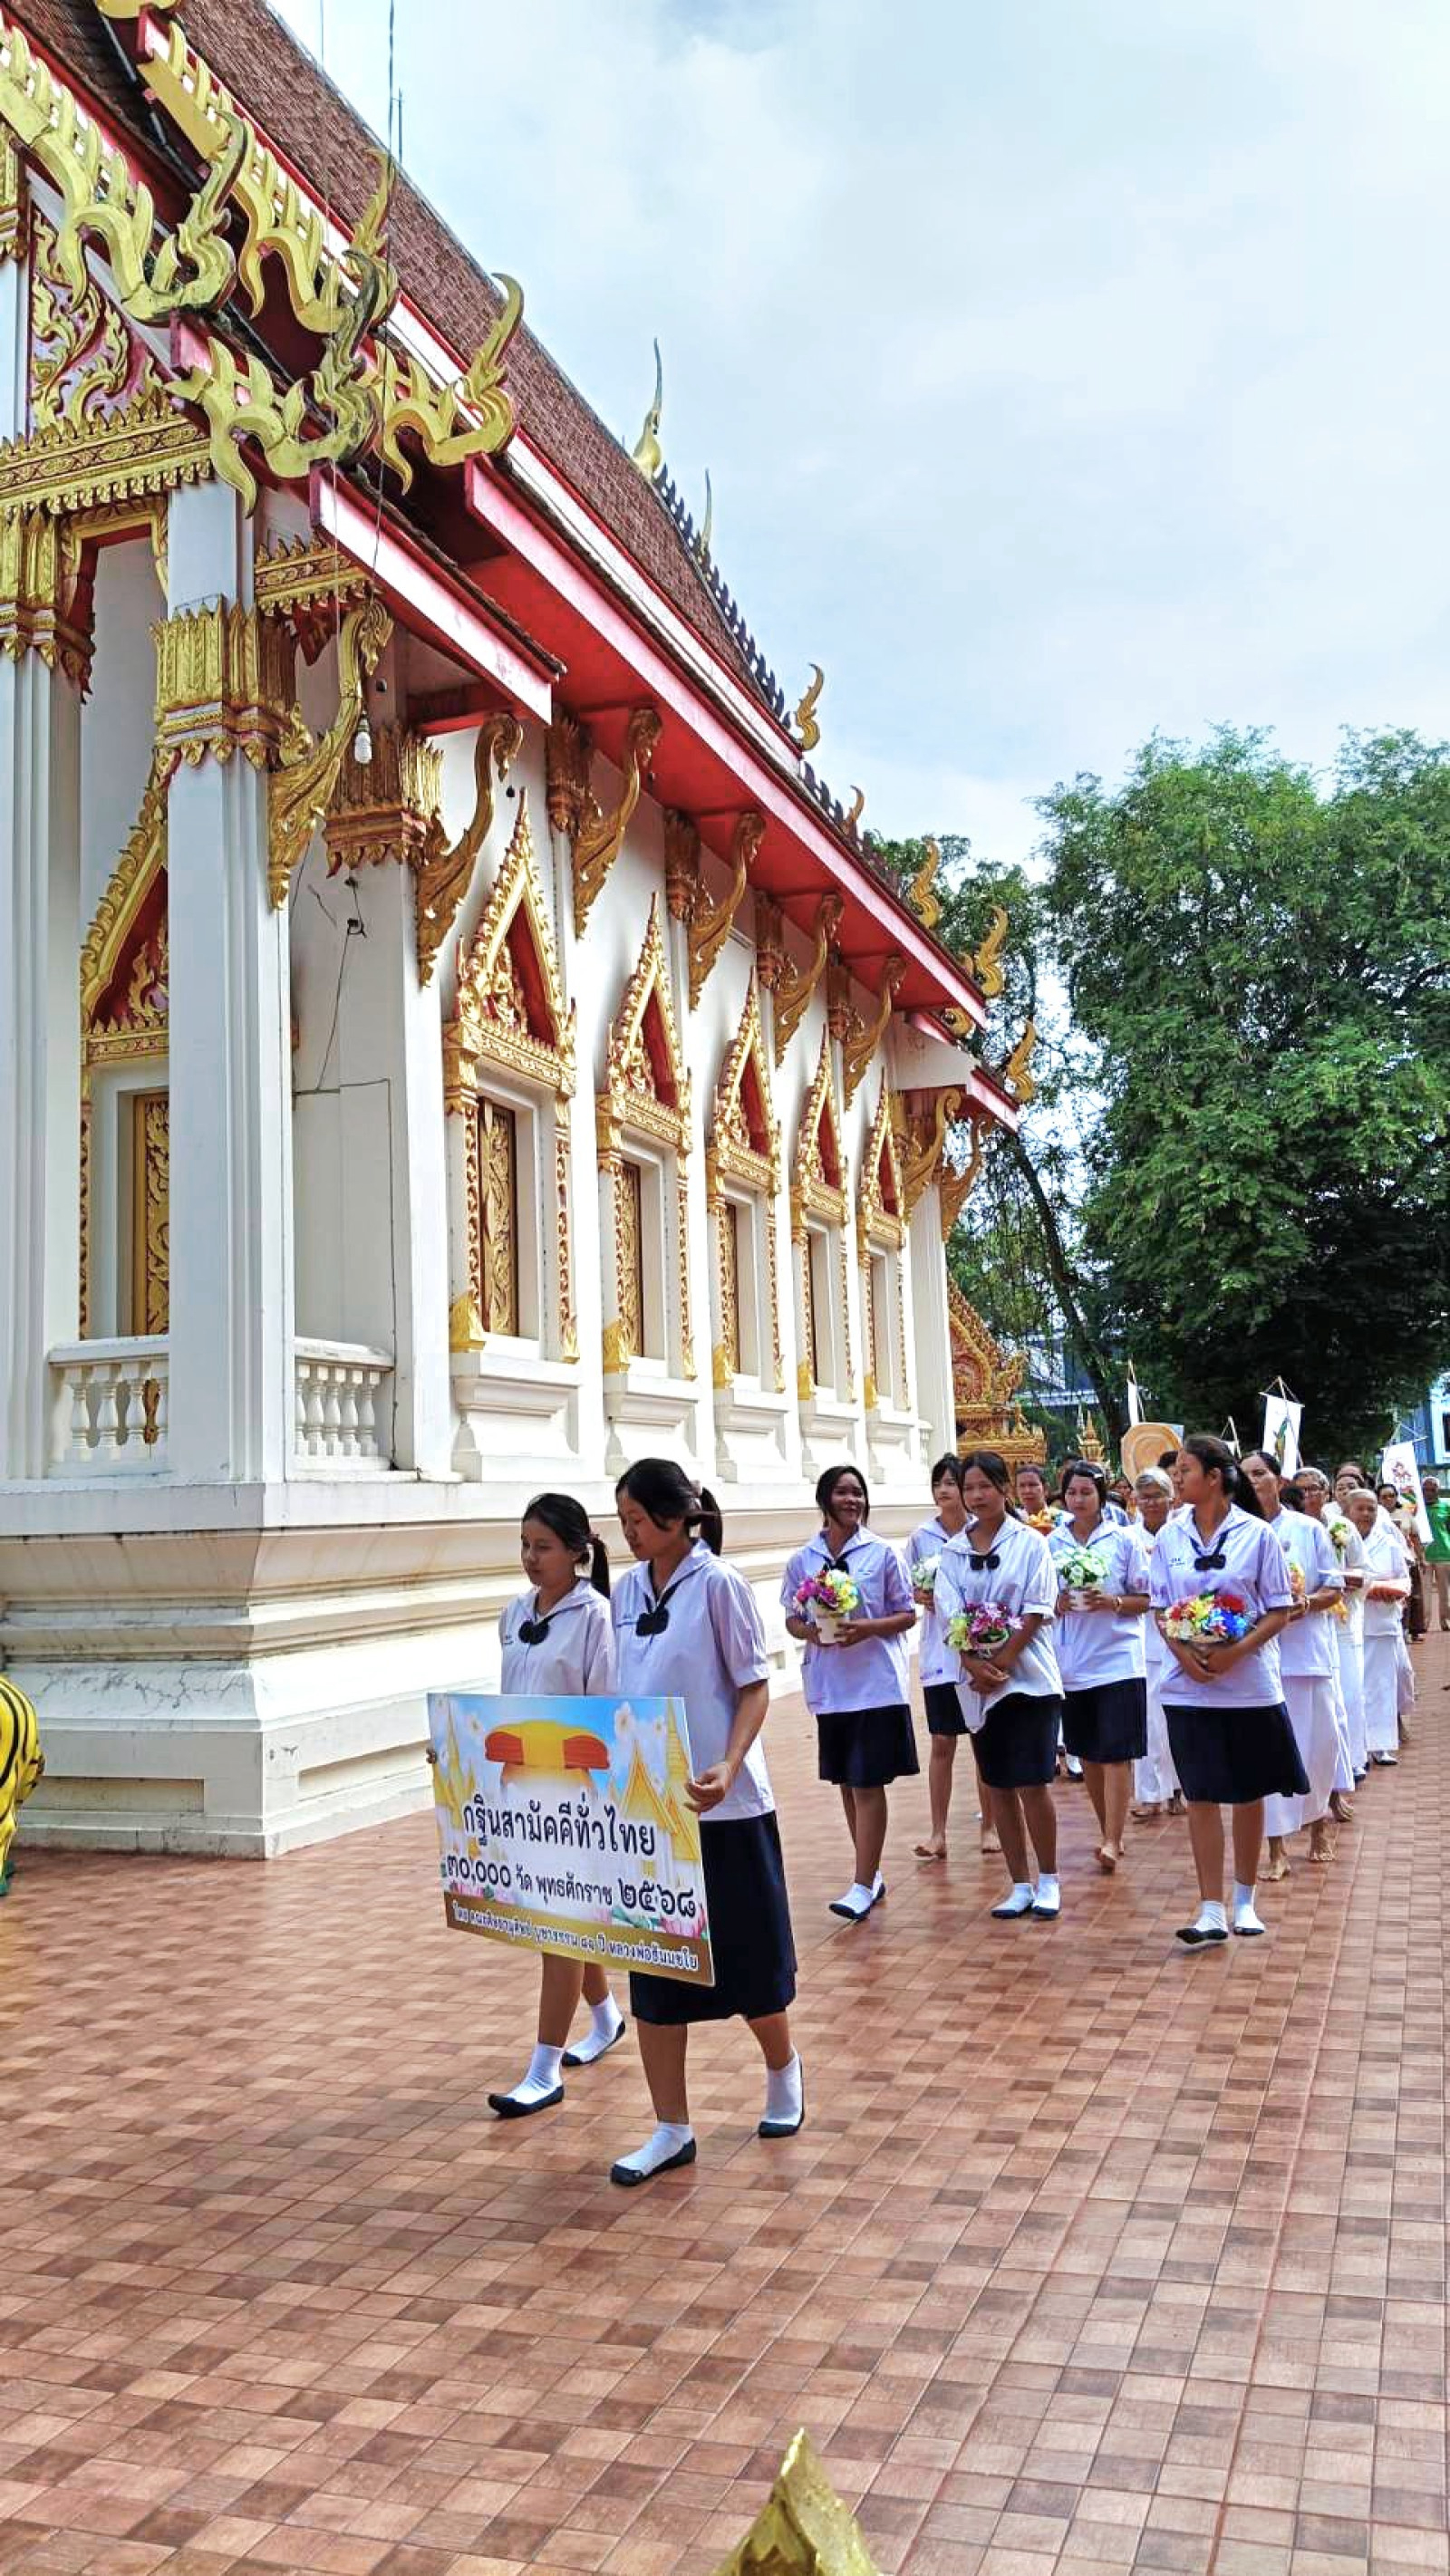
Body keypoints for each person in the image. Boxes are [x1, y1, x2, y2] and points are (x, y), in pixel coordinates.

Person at [609, 1459, 800, 2185]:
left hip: (725, 1805)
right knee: (656, 1975)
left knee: (749, 1962)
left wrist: (729, 1761)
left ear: (673, 1517)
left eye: (636, 1520)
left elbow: (754, 1686)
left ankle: (782, 2068)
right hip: (651, 1813)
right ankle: (671, 2126)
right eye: (622, 1521)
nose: (628, 1533)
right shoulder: (625, 1592)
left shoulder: (719, 1584)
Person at [483, 1495, 625, 2118]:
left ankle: (543, 2070)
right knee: (556, 1916)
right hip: (521, 1793)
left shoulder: (598, 1618)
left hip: (572, 1797)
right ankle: (606, 2015)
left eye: (543, 1546)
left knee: (559, 1925)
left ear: (576, 1551)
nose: (530, 1558)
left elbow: (605, 1710)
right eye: (524, 1545)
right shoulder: (514, 1613)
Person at [1150, 1435, 1301, 1944]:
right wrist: (1185, 1656)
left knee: (1248, 1792)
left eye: (1185, 1469)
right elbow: (1160, 1607)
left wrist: (1235, 1652)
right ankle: (1210, 1909)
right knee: (1201, 1794)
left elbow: (1279, 1609)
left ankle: (1245, 1900)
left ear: (1214, 1477)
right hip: (1187, 1688)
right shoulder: (1170, 1537)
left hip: (1249, 1685)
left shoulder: (1256, 1535)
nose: (1176, 1478)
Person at [934, 1449, 1065, 1920]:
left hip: (1028, 1679)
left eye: (984, 1486)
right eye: (967, 1488)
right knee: (999, 1784)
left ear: (1003, 1489)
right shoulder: (953, 1551)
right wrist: (972, 1662)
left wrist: (1004, 1660)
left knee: (1032, 1782)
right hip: (977, 1685)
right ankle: (1019, 1883)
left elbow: (1036, 1607)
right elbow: (949, 1611)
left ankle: (1049, 1878)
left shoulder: (1030, 1543)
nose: (976, 1496)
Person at [783, 1465, 917, 1921]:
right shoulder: (804, 1559)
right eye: (842, 1492)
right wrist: (810, 1632)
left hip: (875, 1685)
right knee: (846, 1780)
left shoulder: (882, 1554)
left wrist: (866, 1629)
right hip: (831, 1686)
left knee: (867, 1782)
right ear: (825, 1499)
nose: (851, 1500)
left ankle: (862, 1882)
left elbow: (906, 1614)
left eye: (858, 1493)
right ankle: (869, 1872)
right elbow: (792, 1616)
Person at [1239, 1450, 1345, 1874]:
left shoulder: (1308, 1529)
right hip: (1257, 1658)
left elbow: (1333, 1588)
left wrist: (1305, 1603)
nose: (1252, 1482)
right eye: (1244, 1475)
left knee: (1319, 1745)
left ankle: (1319, 1823)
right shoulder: (1237, 1532)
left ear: (1279, 1481)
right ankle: (1276, 1847)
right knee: (1266, 1753)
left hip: (1307, 1655)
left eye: (1259, 1474)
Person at [1049, 1459, 1150, 1871]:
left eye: (1086, 1492)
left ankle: (1113, 1838)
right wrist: (1057, 1602)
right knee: (1087, 1751)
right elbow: (1041, 1598)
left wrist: (1113, 1602)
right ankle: (1107, 1827)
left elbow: (1147, 1598)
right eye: (1072, 1493)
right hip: (1073, 1660)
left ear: (1101, 1496)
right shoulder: (1052, 1543)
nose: (1078, 1500)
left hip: (1118, 1657)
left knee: (1115, 1752)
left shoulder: (1124, 1541)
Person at [908, 1455, 999, 1862]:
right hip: (939, 1652)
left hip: (977, 1648)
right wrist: (922, 1595)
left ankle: (990, 1825)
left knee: (983, 1740)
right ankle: (938, 1832)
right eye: (938, 1483)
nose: (944, 1490)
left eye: (951, 1483)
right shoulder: (921, 1537)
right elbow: (909, 1587)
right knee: (942, 1741)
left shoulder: (980, 1532)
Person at [1298, 1466, 1365, 1802]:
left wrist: (1347, 1581)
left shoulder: (1343, 1527)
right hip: (1303, 1628)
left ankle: (1344, 1776)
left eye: (1315, 1488)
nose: (1309, 1495)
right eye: (1302, 1490)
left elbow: (1363, 1569)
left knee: (1342, 1701)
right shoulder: (1287, 1529)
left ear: (1326, 1493)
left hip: (1340, 1621)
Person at [1130, 1469, 1183, 1819]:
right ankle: (1150, 1794)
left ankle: (1179, 1789)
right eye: (1144, 1496)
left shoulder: (1183, 1534)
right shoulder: (1127, 1538)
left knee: (1179, 1717)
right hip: (1142, 1638)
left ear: (1171, 1498)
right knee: (1148, 1721)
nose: (1151, 1503)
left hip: (1181, 1635)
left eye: (1157, 1495)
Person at [1346, 1487, 1411, 1765]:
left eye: (1371, 1509)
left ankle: (1381, 1744)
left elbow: (1405, 1580)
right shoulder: (1337, 1538)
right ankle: (1356, 1749)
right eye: (1360, 1508)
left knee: (1382, 1685)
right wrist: (1365, 1587)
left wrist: (1390, 1589)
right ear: (1347, 1511)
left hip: (1382, 1622)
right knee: (1354, 1688)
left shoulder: (1389, 1542)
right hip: (1349, 1624)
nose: (1366, 1514)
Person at [1423, 1474, 1450, 1633]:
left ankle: (1446, 1621)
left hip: (1444, 1554)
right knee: (1424, 1592)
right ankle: (1423, 1624)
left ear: (1438, 1490)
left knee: (1445, 1592)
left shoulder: (1446, 1507)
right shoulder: (1417, 1509)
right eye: (1426, 1489)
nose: (1429, 1492)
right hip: (1423, 1556)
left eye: (1432, 1489)